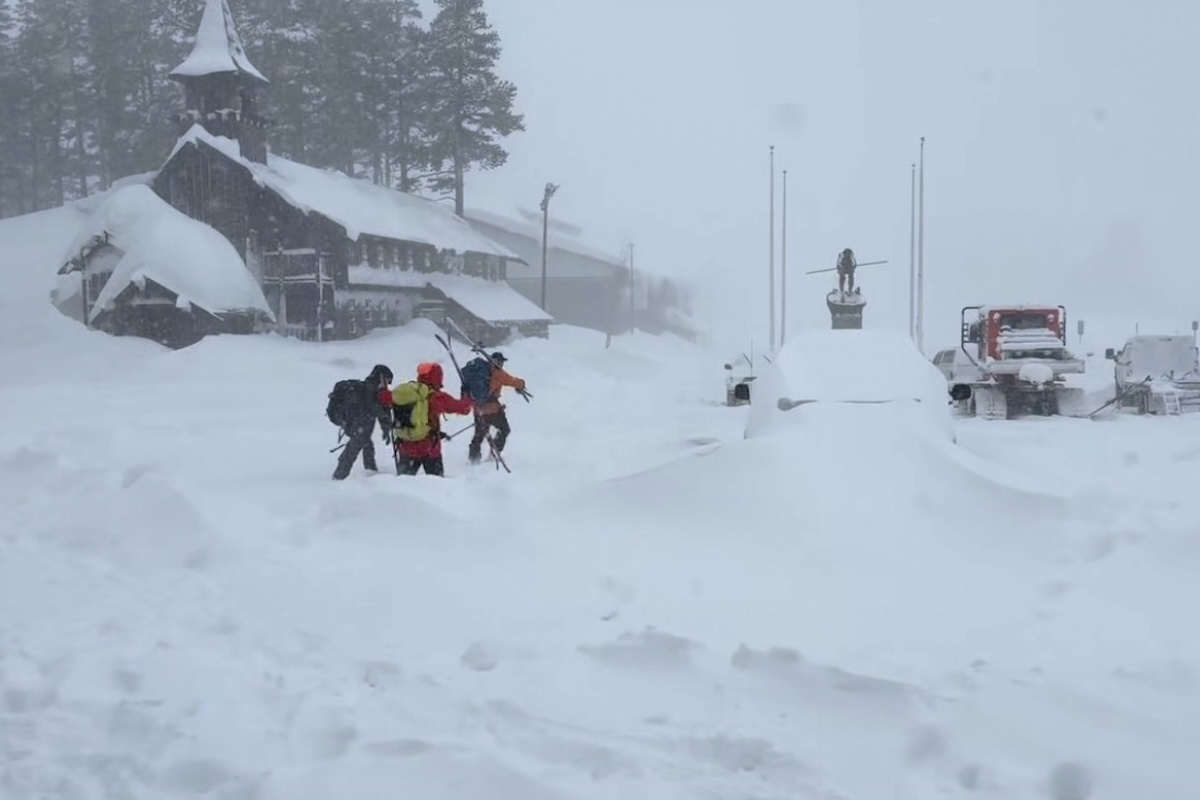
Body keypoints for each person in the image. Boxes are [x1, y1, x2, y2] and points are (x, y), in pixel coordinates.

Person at [392, 361, 473, 476]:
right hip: (429, 448)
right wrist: (466, 394)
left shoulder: (409, 394)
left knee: (402, 485)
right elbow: (464, 409)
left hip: (405, 446)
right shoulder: (437, 397)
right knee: (437, 487)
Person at [330, 364, 394, 480]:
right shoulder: (371, 388)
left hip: (358, 423)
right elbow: (375, 408)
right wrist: (385, 421)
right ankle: (339, 477)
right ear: (382, 377)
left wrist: (385, 427)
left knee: (366, 444)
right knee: (354, 448)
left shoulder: (369, 388)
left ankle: (369, 473)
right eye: (388, 380)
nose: (387, 384)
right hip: (358, 423)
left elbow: (377, 409)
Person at [467, 352, 528, 464]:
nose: (502, 364)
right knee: (504, 429)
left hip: (478, 409)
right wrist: (522, 384)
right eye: (502, 361)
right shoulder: (498, 373)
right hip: (492, 410)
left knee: (479, 435)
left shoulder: (480, 372)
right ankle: (494, 454)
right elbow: (512, 381)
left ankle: (473, 459)